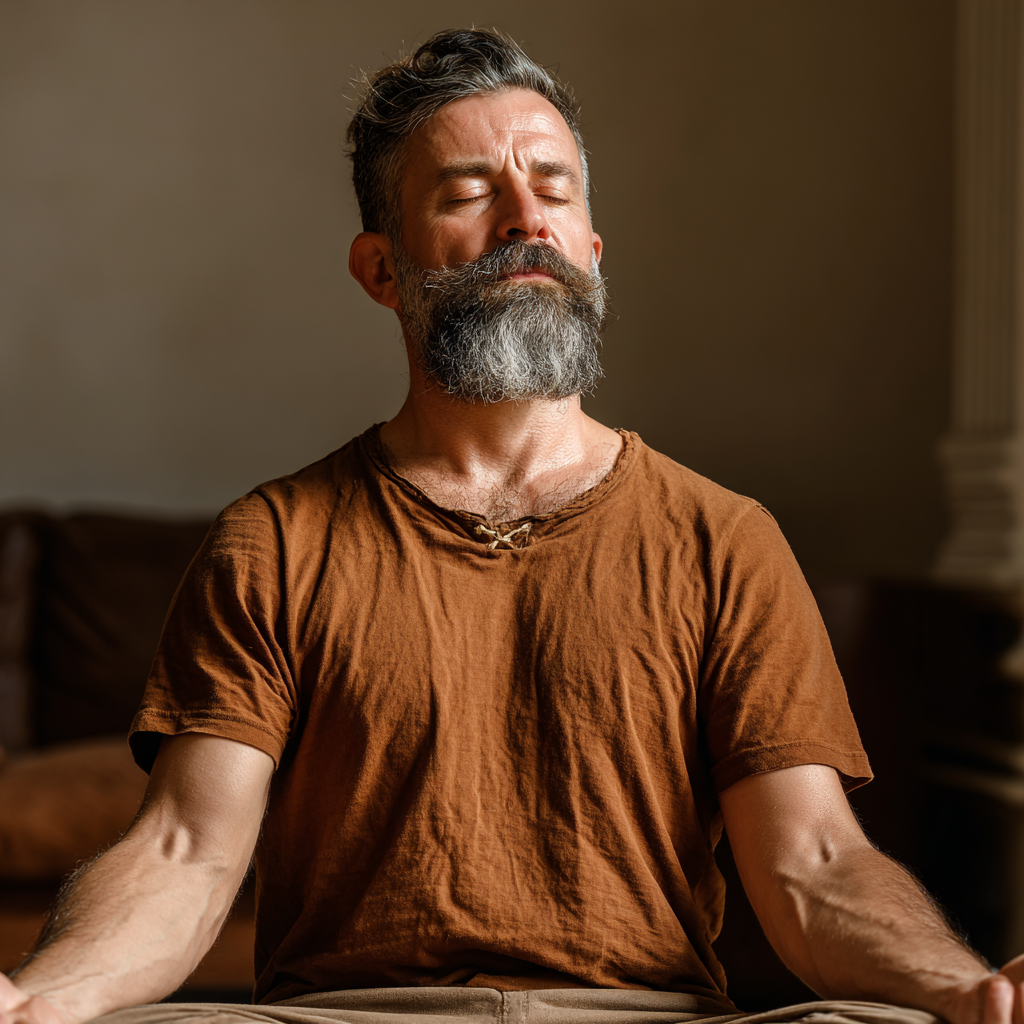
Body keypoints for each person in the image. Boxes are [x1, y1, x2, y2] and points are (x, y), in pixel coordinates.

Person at [2, 26, 1022, 1024]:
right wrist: (35, 999)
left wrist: (968, 990)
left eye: (555, 188)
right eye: (469, 191)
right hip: (349, 1017)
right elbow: (185, 850)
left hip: (645, 1016)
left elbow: (813, 862)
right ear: (380, 269)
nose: (525, 218)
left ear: (589, 247)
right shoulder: (271, 542)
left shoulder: (725, 540)